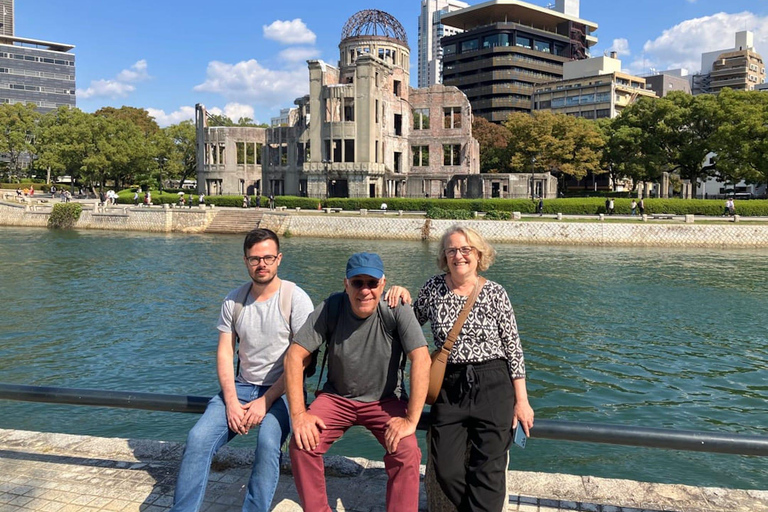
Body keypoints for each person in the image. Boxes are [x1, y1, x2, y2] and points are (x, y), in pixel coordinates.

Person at [390, 225, 534, 511]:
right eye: (452, 250)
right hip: (450, 384)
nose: (459, 256)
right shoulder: (433, 288)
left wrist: (522, 400)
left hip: (493, 382)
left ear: (479, 255)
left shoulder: (495, 292)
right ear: (444, 256)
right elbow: (410, 325)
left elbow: (513, 347)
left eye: (466, 249)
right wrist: (401, 294)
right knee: (445, 467)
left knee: (488, 472)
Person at [170, 228, 314, 512]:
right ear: (246, 261)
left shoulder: (296, 299)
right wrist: (232, 401)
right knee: (198, 439)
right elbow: (225, 352)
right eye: (254, 259)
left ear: (279, 259)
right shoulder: (233, 301)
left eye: (268, 258)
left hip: (285, 390)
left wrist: (267, 400)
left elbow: (303, 360)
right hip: (242, 385)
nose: (262, 264)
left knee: (268, 441)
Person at [284, 252, 431, 512]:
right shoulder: (332, 307)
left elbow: (421, 359)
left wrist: (411, 420)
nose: (365, 290)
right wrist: (298, 414)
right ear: (346, 284)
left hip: (385, 400)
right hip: (336, 398)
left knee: (407, 452)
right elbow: (294, 356)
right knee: (302, 443)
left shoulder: (397, 309)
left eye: (372, 283)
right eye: (357, 283)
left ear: (383, 284)